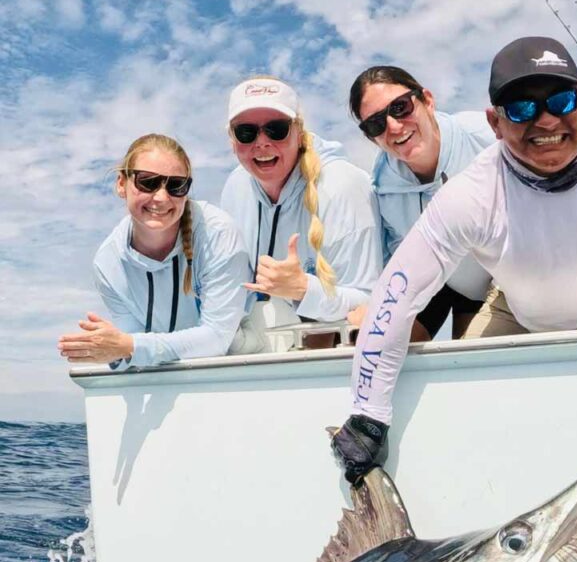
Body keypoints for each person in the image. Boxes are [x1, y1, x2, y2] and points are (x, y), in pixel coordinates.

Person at [331, 36, 577, 482]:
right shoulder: (470, 196)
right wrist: (368, 412)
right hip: (517, 314)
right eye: (521, 109)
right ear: (495, 124)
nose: (545, 120)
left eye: (561, 100)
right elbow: (394, 297)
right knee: (463, 415)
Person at [58, 134, 254, 369]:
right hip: (168, 376)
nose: (161, 197)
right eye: (148, 182)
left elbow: (217, 338)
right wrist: (115, 352)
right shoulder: (108, 263)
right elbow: (132, 348)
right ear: (121, 184)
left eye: (176, 185)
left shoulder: (218, 234)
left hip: (239, 368)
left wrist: (128, 347)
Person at [220, 75, 382, 326]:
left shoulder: (342, 186)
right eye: (246, 132)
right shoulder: (235, 186)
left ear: (298, 131)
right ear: (232, 141)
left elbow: (368, 301)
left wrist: (304, 289)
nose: (262, 142)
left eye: (276, 129)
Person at [349, 66, 495, 339]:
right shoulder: (381, 187)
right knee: (370, 341)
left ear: (427, 100)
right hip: (438, 279)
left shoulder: (487, 136)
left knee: (473, 353)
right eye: (376, 124)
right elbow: (397, 259)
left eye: (400, 107)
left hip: (503, 276)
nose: (394, 127)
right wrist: (376, 307)